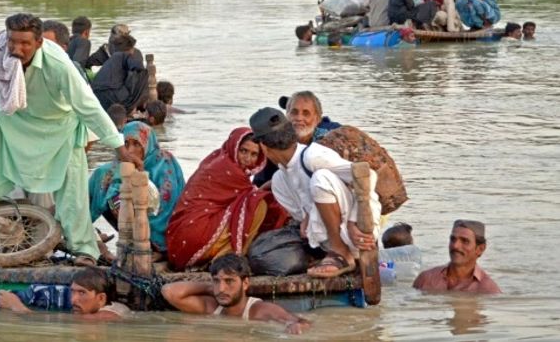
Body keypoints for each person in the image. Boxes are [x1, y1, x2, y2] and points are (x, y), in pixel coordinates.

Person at [0, 13, 142, 266]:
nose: (17, 49)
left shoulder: (58, 64)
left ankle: (85, 249)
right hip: (6, 116)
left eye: (25, 44)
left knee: (73, 186)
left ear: (39, 43)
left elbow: (89, 108)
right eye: (13, 42)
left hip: (58, 125)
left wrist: (118, 147)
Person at [250, 107, 380, 278]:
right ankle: (332, 253)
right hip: (327, 242)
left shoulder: (312, 155)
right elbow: (307, 211)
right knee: (278, 183)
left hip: (358, 234)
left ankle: (342, 254)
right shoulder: (280, 180)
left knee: (320, 179)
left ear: (264, 147)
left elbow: (368, 175)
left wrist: (353, 222)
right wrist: (307, 217)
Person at [166, 128, 289, 270]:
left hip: (178, 240)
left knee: (252, 201)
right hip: (192, 237)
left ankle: (218, 257)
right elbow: (251, 196)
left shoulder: (216, 158)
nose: (248, 158)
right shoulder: (227, 168)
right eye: (243, 151)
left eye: (254, 154)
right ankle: (232, 258)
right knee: (258, 203)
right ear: (234, 147)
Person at [89, 121, 185, 256]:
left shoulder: (164, 163)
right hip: (130, 223)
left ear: (147, 145)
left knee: (120, 193)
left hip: (161, 228)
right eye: (126, 144)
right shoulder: (116, 167)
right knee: (104, 178)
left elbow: (165, 205)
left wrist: (140, 174)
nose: (130, 151)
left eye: (136, 144)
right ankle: (82, 234)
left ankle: (153, 247)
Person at [161, 254, 311, 334]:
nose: (221, 289)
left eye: (229, 281)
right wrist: (210, 288)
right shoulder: (211, 307)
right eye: (217, 281)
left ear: (245, 283)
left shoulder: (260, 310)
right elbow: (169, 291)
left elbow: (301, 322)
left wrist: (295, 326)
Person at [252, 91, 341, 188]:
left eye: (306, 113)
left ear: (317, 119)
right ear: (286, 116)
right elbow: (259, 184)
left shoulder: (332, 139)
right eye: (294, 112)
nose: (299, 118)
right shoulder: (274, 142)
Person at [0, 267, 130, 320]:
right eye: (73, 292)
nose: (73, 300)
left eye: (82, 293)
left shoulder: (108, 315)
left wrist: (17, 307)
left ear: (101, 298)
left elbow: (68, 321)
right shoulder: (99, 308)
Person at [413, 220, 501, 294]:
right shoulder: (426, 279)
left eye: (465, 241)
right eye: (453, 239)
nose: (455, 246)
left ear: (480, 249)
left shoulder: (488, 290)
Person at [90, 33, 149, 114]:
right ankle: (129, 111)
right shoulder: (126, 55)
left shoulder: (111, 60)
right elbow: (137, 67)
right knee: (143, 74)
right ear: (130, 49)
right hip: (112, 96)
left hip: (96, 95)